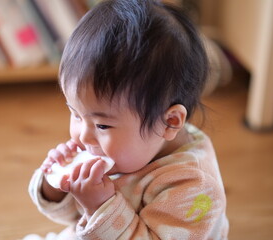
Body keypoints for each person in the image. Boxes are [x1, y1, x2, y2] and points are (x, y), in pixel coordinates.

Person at [24, 0, 229, 239]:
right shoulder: (131, 145)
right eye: (76, 114)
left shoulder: (194, 189)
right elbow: (76, 218)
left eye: (102, 125)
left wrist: (100, 206)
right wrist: (58, 185)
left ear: (170, 122)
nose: (82, 136)